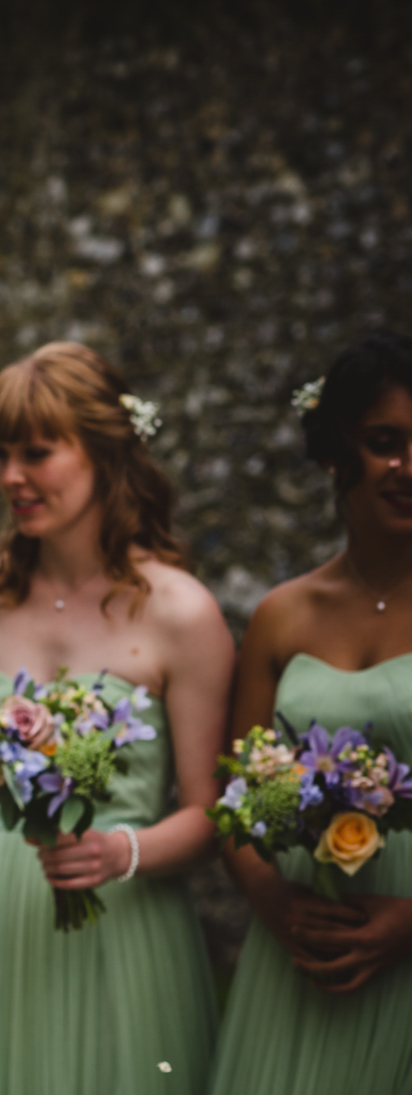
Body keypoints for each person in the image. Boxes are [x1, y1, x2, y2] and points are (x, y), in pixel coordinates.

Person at [0, 342, 232, 1095]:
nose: (12, 476)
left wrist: (121, 851)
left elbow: (211, 812)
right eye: (0, 453)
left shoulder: (181, 613)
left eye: (37, 451)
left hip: (121, 919)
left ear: (107, 453)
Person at [209, 334, 412, 1095]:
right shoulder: (284, 616)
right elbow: (235, 800)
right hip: (301, 941)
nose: (407, 468)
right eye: (384, 443)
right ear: (336, 453)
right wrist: (274, 900)